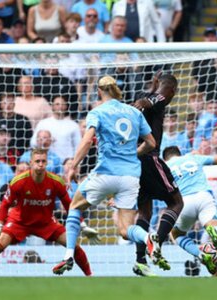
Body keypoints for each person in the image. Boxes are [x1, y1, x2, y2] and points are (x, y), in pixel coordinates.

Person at [52, 76, 158, 275]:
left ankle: (68, 255)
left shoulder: (97, 112)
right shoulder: (134, 112)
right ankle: (146, 238)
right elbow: (151, 143)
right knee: (125, 230)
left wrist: (73, 166)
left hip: (106, 173)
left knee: (75, 206)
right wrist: (132, 154)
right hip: (130, 177)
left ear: (99, 91)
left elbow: (87, 140)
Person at [0, 148, 94, 277]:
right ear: (31, 163)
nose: (40, 164)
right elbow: (5, 204)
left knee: (73, 245)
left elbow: (70, 206)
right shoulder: (18, 181)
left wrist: (82, 224)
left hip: (45, 222)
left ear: (47, 163)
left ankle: (90, 276)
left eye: (43, 161)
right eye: (37, 161)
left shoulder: (56, 182)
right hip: (19, 221)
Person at [130, 74, 184, 276]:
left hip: (135, 163)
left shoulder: (144, 93)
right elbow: (148, 100)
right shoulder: (161, 97)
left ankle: (140, 260)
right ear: (172, 91)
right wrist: (143, 102)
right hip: (149, 159)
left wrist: (146, 95)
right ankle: (157, 241)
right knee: (177, 203)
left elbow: (144, 97)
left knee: (145, 211)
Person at [163, 146, 217, 275]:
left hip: (183, 203)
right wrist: (198, 154)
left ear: (165, 158)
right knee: (215, 226)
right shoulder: (192, 157)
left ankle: (200, 254)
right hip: (203, 197)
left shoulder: (164, 167)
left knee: (176, 235)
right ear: (179, 154)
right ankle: (216, 233)